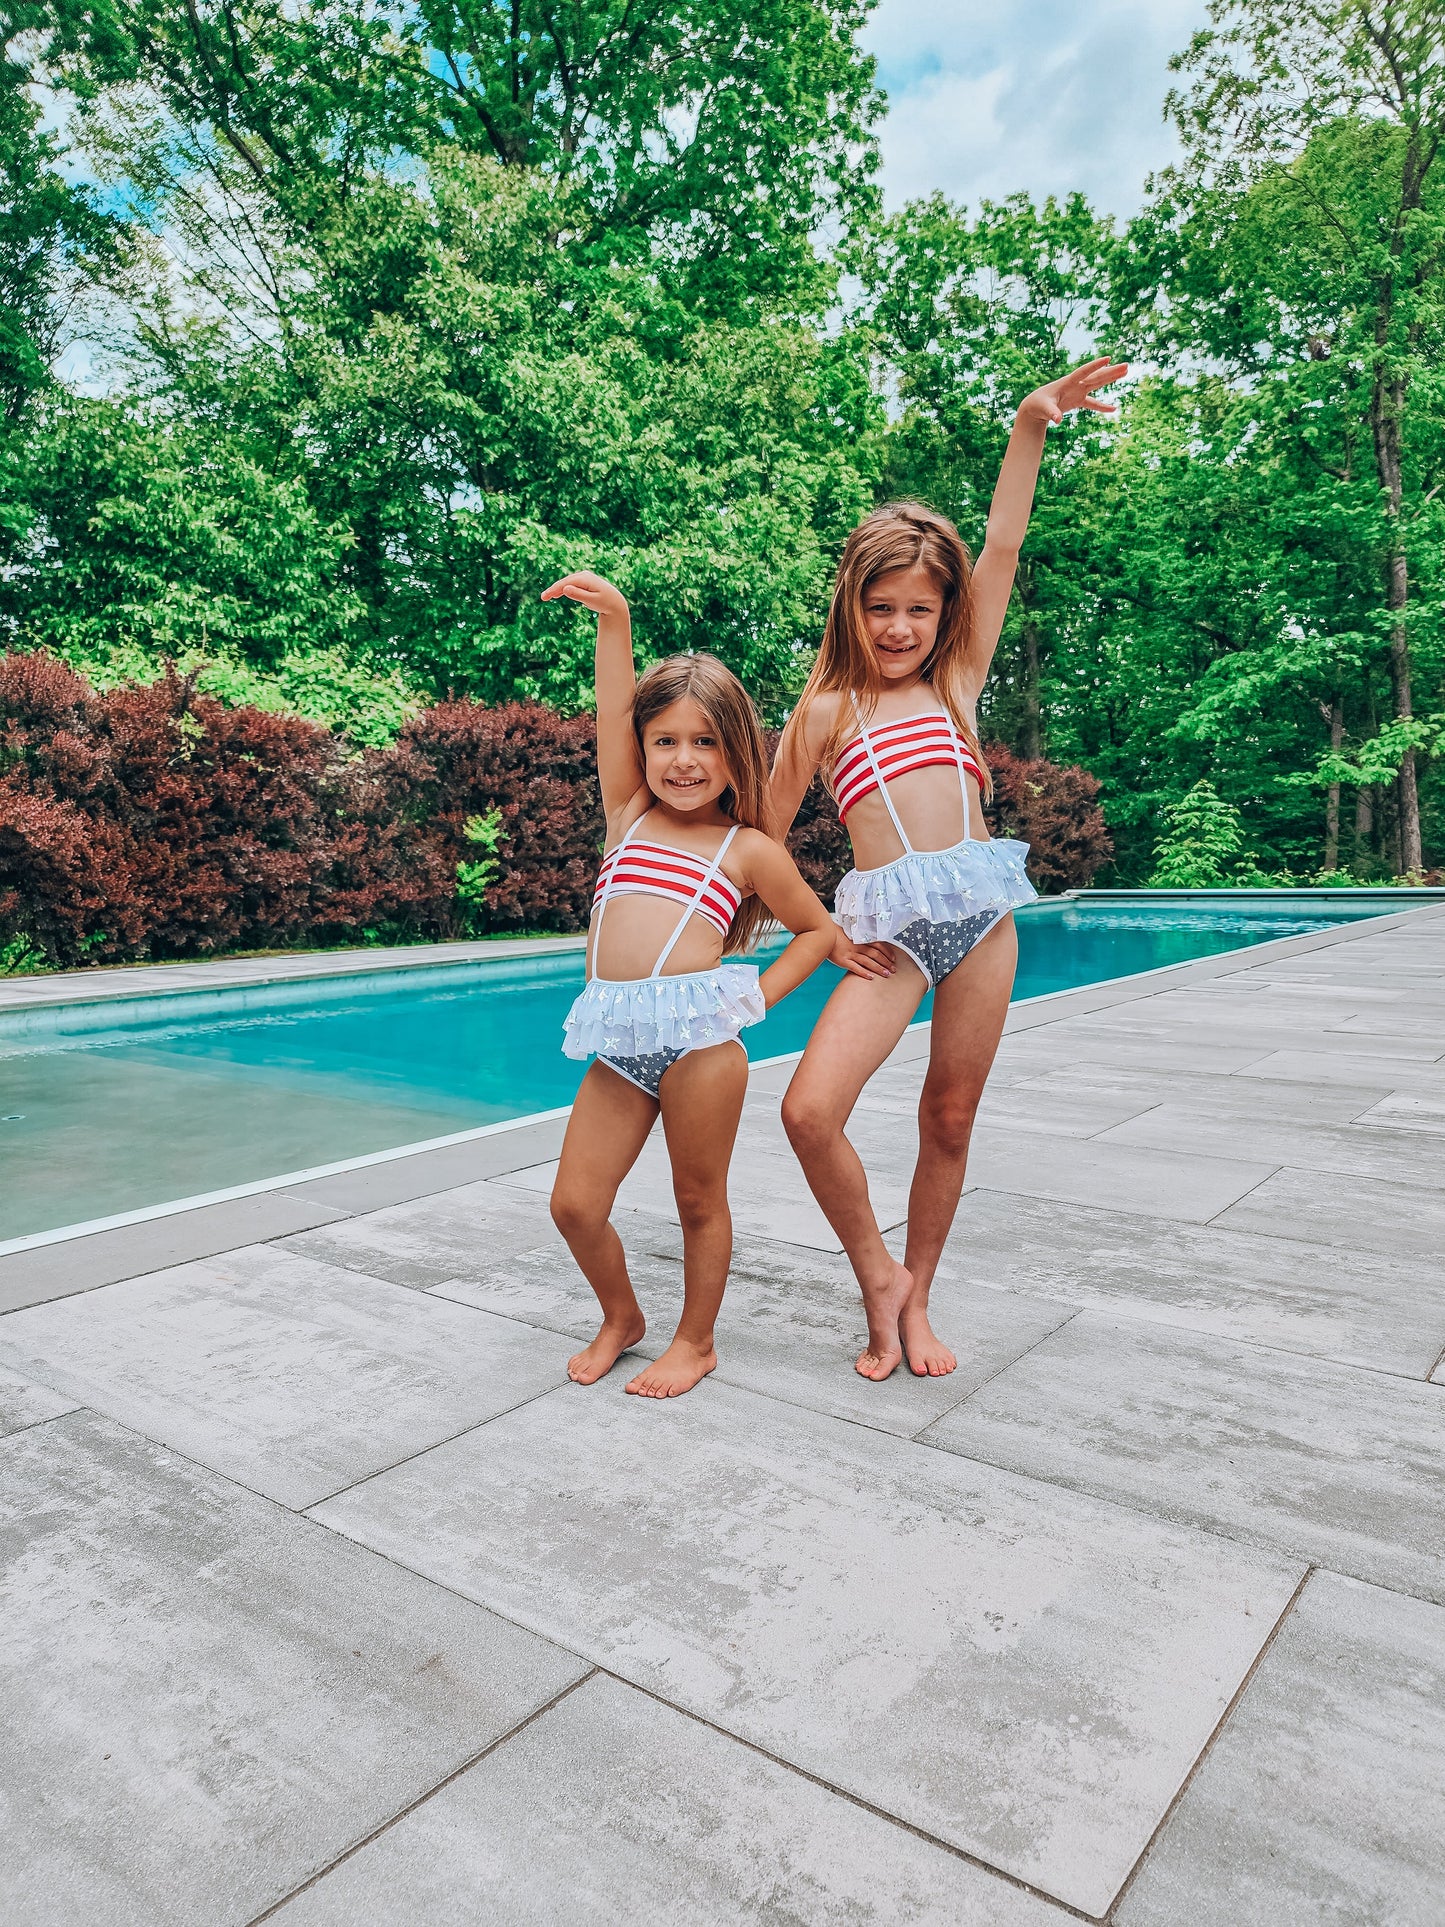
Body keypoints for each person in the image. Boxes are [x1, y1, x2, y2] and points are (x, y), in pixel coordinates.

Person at [769, 357, 1128, 1382]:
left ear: (941, 616)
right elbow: (759, 833)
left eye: (918, 610)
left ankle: (912, 1299)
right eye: (881, 606)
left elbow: (1003, 545)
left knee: (949, 1115)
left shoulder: (955, 680)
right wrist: (818, 929)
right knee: (806, 1110)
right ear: (851, 602)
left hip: (977, 919)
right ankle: (874, 1273)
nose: (898, 628)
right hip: (885, 934)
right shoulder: (822, 713)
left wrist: (1029, 424)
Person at [543, 570, 849, 1398]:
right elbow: (611, 712)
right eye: (667, 740)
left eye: (705, 742)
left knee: (696, 1200)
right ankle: (622, 1316)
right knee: (573, 1204)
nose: (683, 759)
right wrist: (616, 621)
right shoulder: (626, 812)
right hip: (621, 1043)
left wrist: (751, 999)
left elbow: (818, 930)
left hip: (700, 1047)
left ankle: (696, 1340)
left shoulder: (745, 848)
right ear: (644, 748)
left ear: (733, 751)